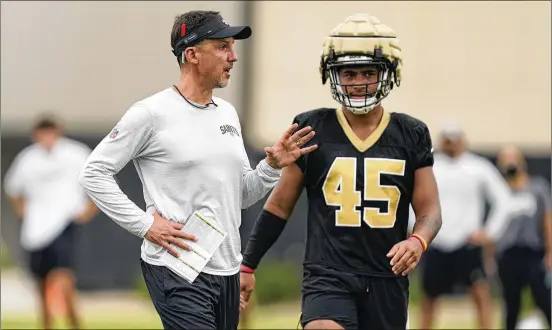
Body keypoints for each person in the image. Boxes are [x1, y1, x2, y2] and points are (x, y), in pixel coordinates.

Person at [78, 10, 317, 330]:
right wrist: (145, 224)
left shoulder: (228, 114)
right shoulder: (151, 113)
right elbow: (93, 173)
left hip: (226, 271)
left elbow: (242, 196)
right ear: (191, 54)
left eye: (232, 47)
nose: (232, 57)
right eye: (222, 47)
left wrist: (270, 168)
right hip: (176, 267)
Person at [239, 13, 443, 330]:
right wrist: (248, 265)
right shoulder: (312, 128)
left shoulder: (410, 133)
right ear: (332, 75)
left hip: (386, 275)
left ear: (389, 73)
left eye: (368, 72)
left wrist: (418, 240)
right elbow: (280, 205)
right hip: (328, 272)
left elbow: (429, 208)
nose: (358, 82)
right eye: (348, 73)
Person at [4, 116, 98, 329]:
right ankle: (47, 324)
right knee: (41, 280)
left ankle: (74, 321)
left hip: (64, 222)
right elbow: (13, 187)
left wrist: (90, 209)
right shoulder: (28, 158)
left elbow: (98, 179)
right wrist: (23, 212)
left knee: (63, 275)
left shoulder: (76, 153)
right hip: (36, 229)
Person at [418, 123, 512, 329]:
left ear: (462, 141)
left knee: (480, 294)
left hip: (468, 243)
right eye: (447, 140)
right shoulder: (430, 166)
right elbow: (415, 199)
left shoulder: (478, 167)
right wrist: (417, 231)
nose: (451, 144)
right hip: (437, 241)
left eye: (455, 139)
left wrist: (489, 233)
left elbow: (503, 199)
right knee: (428, 298)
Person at [495, 145, 551, 330]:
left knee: (544, 298)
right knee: (511, 304)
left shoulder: (537, 188)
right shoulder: (498, 190)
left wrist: (550, 251)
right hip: (508, 253)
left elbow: (547, 219)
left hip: (533, 252)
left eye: (513, 158)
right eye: (506, 158)